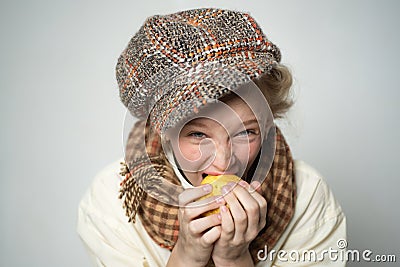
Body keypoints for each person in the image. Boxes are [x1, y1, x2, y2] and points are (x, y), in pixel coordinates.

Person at [77, 8, 346, 267]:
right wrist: (187, 257)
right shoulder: (110, 200)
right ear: (164, 132)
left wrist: (234, 259)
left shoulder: (309, 196)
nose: (224, 162)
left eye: (245, 132)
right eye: (197, 134)